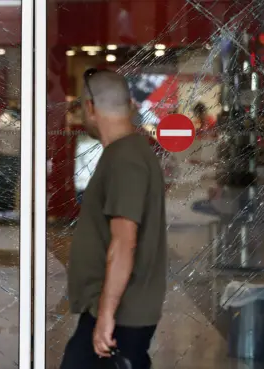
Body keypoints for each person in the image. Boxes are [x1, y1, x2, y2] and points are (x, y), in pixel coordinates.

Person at [60, 69, 167, 369]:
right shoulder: (128, 153)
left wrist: (106, 315)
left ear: (90, 107)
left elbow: (124, 242)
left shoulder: (125, 159)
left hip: (121, 314)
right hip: (119, 311)